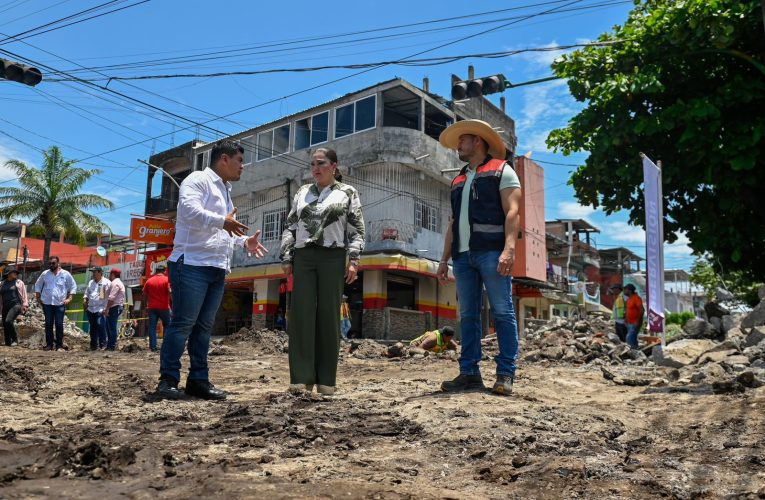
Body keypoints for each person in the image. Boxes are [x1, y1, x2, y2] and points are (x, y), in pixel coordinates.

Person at [156, 140, 267, 401]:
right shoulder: (197, 179)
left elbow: (221, 231)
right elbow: (189, 211)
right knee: (183, 324)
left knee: (203, 328)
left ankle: (198, 380)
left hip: (216, 267)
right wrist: (223, 221)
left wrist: (243, 242)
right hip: (191, 263)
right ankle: (168, 381)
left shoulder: (225, 191)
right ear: (224, 159)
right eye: (240, 161)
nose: (243, 167)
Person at [436, 119, 522, 396]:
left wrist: (509, 249)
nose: (458, 145)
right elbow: (452, 222)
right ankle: (469, 373)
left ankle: (505, 373)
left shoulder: (502, 171)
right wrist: (443, 258)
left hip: (492, 252)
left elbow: (512, 212)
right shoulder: (458, 179)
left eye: (463, 140)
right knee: (469, 315)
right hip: (462, 256)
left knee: (502, 312)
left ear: (478, 141)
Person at [280, 147, 365, 396]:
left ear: (334, 166)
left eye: (321, 163)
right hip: (303, 257)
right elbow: (290, 226)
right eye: (312, 164)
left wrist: (354, 260)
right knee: (301, 316)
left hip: (333, 256)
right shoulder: (302, 192)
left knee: (329, 317)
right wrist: (287, 256)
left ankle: (327, 380)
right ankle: (301, 378)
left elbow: (357, 230)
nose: (316, 169)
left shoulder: (348, 193)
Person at [34, 256, 77, 351]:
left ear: (58, 263)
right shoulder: (45, 274)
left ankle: (59, 345)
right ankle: (49, 345)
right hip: (47, 303)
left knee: (59, 324)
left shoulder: (65, 274)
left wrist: (69, 298)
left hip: (60, 304)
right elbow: (38, 284)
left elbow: (73, 286)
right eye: (49, 263)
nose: (51, 265)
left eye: (53, 263)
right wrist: (38, 296)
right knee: (48, 324)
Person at [143, 263, 171, 352]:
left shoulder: (149, 281)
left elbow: (144, 294)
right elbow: (170, 291)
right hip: (164, 307)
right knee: (167, 326)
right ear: (164, 271)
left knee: (152, 327)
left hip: (152, 307)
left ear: (156, 271)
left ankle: (153, 347)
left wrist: (146, 304)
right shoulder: (167, 280)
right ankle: (166, 345)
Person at [83, 267, 110, 351]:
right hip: (91, 309)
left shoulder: (106, 283)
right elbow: (87, 293)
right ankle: (93, 345)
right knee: (93, 328)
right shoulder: (91, 282)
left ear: (100, 272)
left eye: (94, 272)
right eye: (92, 272)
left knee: (100, 325)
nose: (93, 274)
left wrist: (106, 309)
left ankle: (103, 345)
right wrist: (85, 301)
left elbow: (108, 297)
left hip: (100, 308)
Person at [1, 268, 28, 346]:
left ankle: (15, 339)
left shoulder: (19, 282)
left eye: (16, 272)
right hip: (5, 306)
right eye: (14, 272)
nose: (16, 274)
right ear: (8, 274)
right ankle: (7, 343)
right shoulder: (2, 283)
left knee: (8, 321)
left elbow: (24, 294)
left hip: (16, 305)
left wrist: (25, 305)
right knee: (5, 324)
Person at [105, 268, 126, 351]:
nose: (109, 276)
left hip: (114, 307)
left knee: (112, 327)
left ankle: (112, 345)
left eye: (110, 274)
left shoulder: (115, 283)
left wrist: (107, 309)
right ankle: (110, 345)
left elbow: (111, 298)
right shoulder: (118, 283)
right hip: (115, 307)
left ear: (113, 274)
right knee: (110, 327)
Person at [624, 284, 645, 349]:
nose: (624, 291)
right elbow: (628, 310)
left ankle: (632, 351)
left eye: (625, 290)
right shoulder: (628, 299)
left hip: (635, 323)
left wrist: (638, 321)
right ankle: (636, 352)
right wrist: (625, 320)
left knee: (629, 338)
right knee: (633, 338)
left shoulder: (636, 298)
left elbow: (642, 310)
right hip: (629, 323)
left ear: (629, 290)